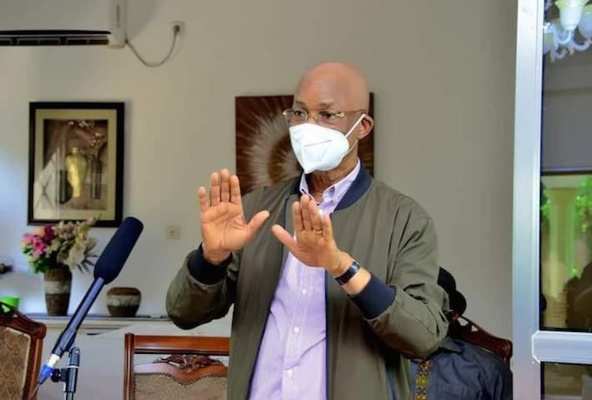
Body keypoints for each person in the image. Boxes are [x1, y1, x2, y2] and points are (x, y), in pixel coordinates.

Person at [166, 62, 448, 400]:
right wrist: (211, 258)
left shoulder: (404, 219)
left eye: (327, 115)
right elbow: (183, 313)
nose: (308, 126)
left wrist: (343, 268)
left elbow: (423, 336)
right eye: (300, 113)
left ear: (362, 126)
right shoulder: (256, 210)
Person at [410, 267, 513, 400]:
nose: (421, 317)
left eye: (432, 309)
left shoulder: (487, 368)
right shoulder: (387, 363)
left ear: (453, 316)